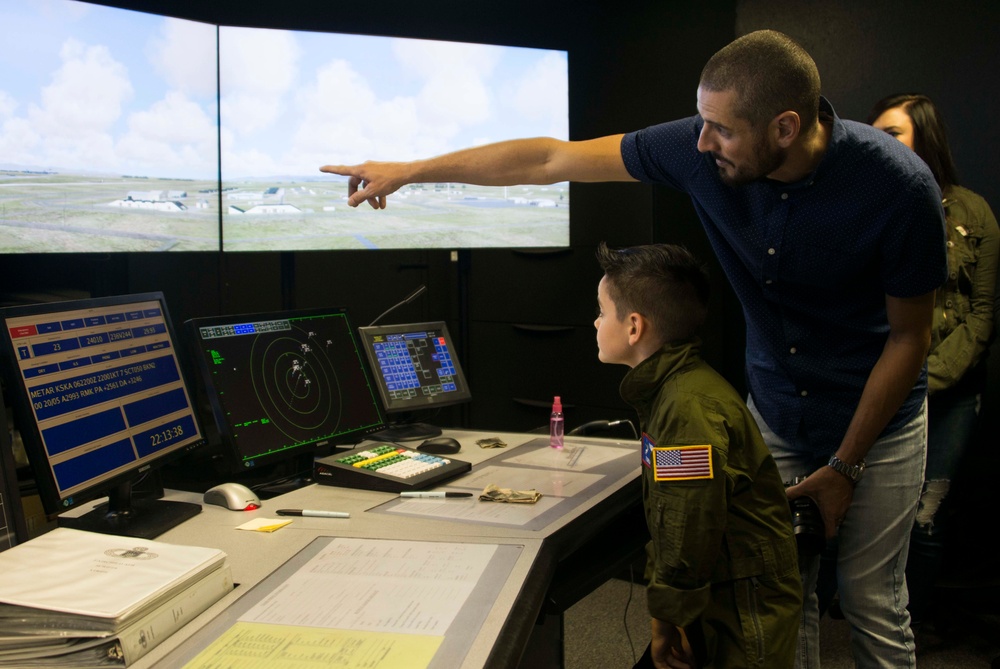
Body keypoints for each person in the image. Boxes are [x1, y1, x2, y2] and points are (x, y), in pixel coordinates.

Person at [321, 30, 948, 667]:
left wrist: (845, 467)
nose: (701, 144)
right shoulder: (699, 147)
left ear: (786, 127)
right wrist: (411, 171)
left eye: (721, 130)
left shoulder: (897, 186)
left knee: (872, 604)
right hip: (780, 411)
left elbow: (909, 337)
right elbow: (548, 160)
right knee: (778, 597)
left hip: (880, 421)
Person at [594, 242, 801, 669]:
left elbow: (688, 525)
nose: (595, 322)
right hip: (720, 589)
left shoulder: (687, 409)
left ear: (634, 327)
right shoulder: (674, 389)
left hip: (741, 605)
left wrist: (667, 621)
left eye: (600, 311)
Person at [868, 93, 999, 628]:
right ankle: (868, 614)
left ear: (925, 136)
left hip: (947, 396)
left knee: (925, 517)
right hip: (878, 392)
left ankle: (910, 626)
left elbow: (982, 315)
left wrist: (923, 379)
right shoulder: (867, 206)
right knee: (873, 517)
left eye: (893, 132)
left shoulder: (973, 213)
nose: (879, 141)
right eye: (874, 131)